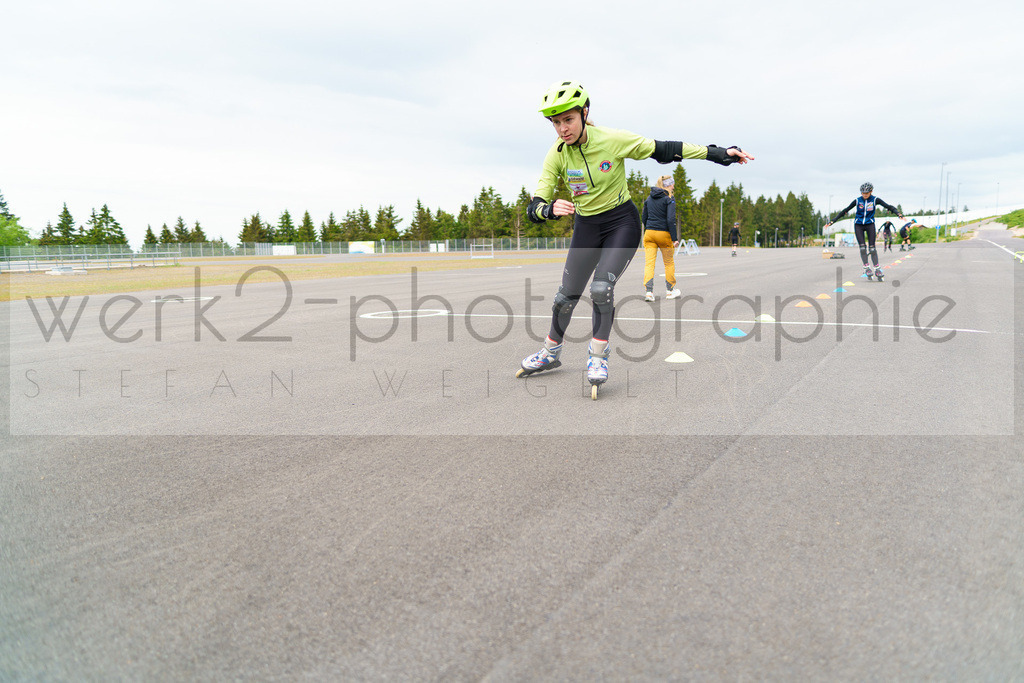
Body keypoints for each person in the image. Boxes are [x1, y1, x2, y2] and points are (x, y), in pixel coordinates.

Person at [516, 80, 754, 397]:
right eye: (556, 123)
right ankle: (550, 352)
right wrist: (547, 210)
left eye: (568, 120)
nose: (562, 129)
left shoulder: (612, 140)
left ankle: (598, 356)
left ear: (584, 113)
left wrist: (717, 153)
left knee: (601, 288)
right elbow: (534, 205)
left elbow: (666, 149)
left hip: (620, 224)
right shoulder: (557, 155)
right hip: (586, 226)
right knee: (566, 296)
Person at [823, 182, 905, 281]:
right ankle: (866, 267)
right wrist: (832, 222)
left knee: (872, 249)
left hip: (870, 224)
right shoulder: (857, 201)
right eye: (863, 193)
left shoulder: (875, 200)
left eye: (866, 193)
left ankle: (877, 268)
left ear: (871, 192)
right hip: (858, 225)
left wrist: (898, 214)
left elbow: (889, 207)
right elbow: (845, 211)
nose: (864, 195)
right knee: (862, 248)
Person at [641, 175, 681, 302]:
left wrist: (650, 228)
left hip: (649, 233)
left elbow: (644, 217)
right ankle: (670, 291)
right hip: (663, 234)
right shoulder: (669, 198)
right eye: (672, 184)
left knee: (649, 264)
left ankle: (648, 292)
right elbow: (670, 219)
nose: (673, 186)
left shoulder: (649, 198)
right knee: (668, 263)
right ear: (667, 185)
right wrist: (674, 238)